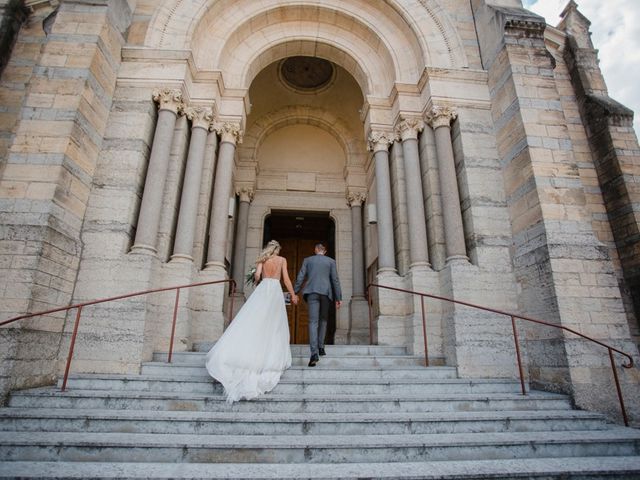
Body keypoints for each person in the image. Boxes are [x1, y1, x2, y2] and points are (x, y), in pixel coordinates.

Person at [205, 240, 299, 402]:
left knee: (256, 319)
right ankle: (269, 353)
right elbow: (286, 279)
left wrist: (257, 280)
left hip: (263, 289)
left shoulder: (262, 260)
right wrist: (293, 294)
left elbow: (256, 276)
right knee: (274, 324)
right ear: (277, 249)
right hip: (275, 290)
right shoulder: (282, 260)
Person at [293, 243, 342, 367]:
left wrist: (295, 292)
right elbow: (335, 279)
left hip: (312, 292)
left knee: (313, 322)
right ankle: (321, 347)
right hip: (326, 293)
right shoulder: (331, 262)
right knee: (323, 320)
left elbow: (300, 276)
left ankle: (314, 353)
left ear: (315, 250)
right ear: (324, 251)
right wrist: (338, 297)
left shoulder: (308, 260)